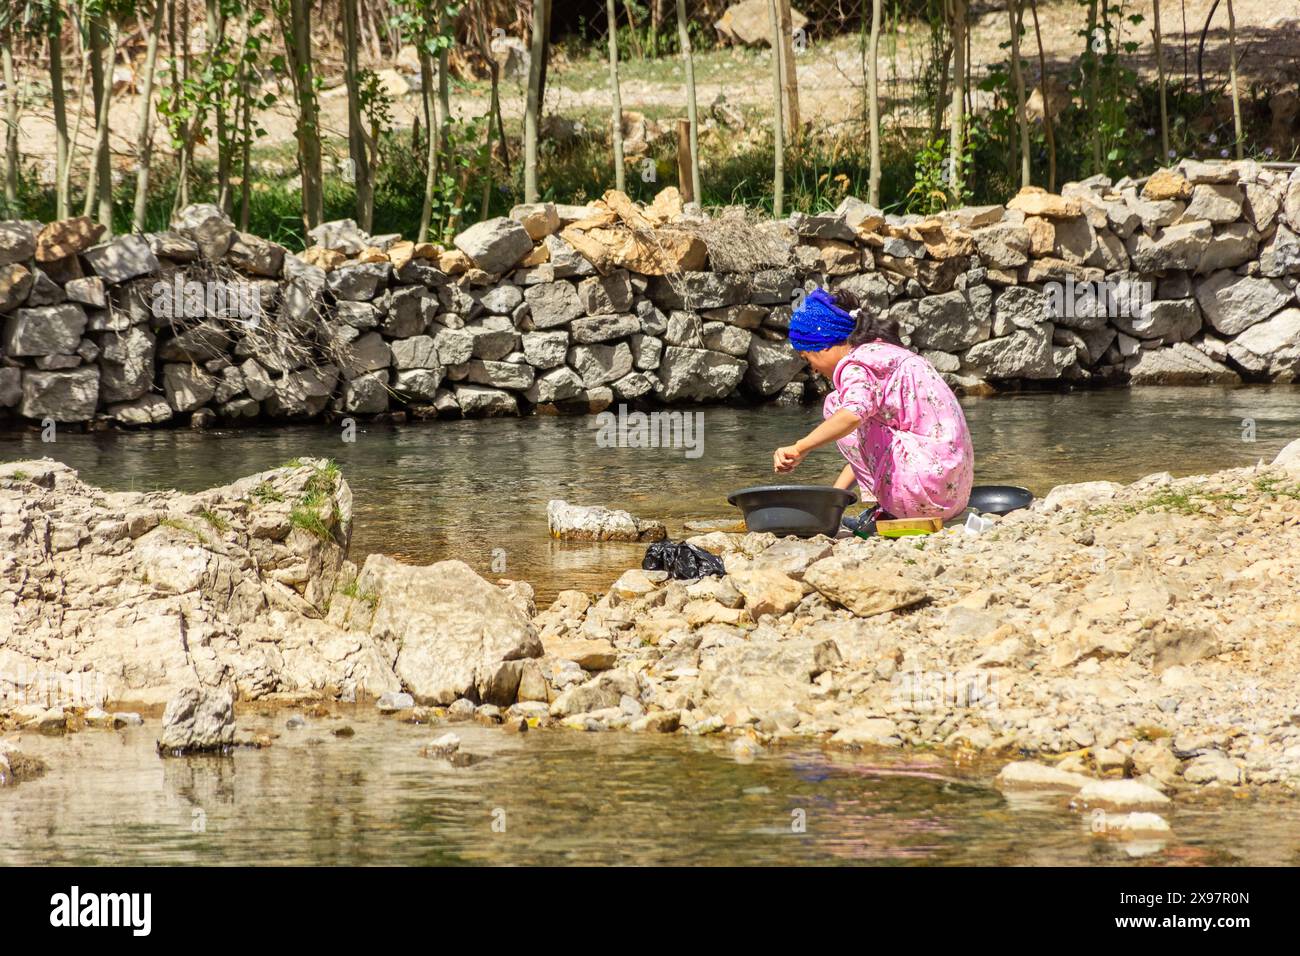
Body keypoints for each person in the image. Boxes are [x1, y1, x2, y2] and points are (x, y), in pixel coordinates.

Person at [772, 286, 974, 522]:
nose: (814, 370)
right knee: (849, 409)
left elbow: (852, 416)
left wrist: (799, 448)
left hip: (922, 497)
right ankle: (887, 503)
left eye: (808, 358)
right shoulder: (884, 353)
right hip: (954, 496)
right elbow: (866, 448)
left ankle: (890, 506)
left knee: (837, 406)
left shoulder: (856, 365)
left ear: (823, 344)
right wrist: (833, 502)